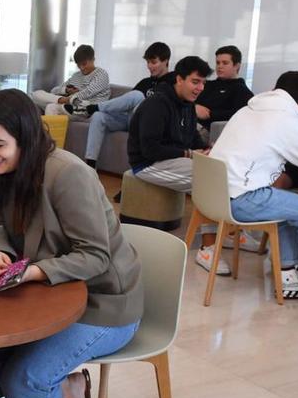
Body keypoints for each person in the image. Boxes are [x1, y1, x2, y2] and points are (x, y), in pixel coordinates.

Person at [0, 89, 142, 398]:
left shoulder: (68, 174)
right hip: (50, 299)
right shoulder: (12, 168)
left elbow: (96, 257)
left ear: (26, 138)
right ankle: (67, 391)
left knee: (23, 378)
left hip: (104, 304)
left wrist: (33, 273)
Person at [209, 71, 298, 309]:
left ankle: (287, 276)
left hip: (216, 194)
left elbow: (290, 143)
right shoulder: (285, 119)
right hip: (242, 198)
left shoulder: (248, 110)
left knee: (286, 204)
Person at [127, 56, 224, 275]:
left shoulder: (187, 105)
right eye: (195, 82)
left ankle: (230, 232)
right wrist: (189, 153)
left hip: (173, 160)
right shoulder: (157, 104)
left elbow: (192, 139)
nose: (200, 88)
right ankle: (207, 248)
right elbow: (150, 149)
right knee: (208, 180)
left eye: (203, 83)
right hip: (148, 163)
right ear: (179, 79)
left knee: (218, 169)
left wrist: (207, 149)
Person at [80, 42, 172, 169]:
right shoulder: (145, 82)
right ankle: (90, 165)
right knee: (98, 117)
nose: (149, 66)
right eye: (148, 62)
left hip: (150, 125)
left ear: (166, 61)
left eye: (153, 62)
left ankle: (96, 106)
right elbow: (127, 103)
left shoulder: (173, 82)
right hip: (132, 120)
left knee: (138, 96)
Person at [31, 44, 110, 116]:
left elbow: (88, 92)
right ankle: (63, 100)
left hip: (87, 108)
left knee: (51, 107)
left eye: (84, 64)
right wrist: (66, 91)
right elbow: (54, 91)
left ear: (93, 59)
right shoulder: (76, 76)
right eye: (78, 65)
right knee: (35, 94)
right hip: (69, 105)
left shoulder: (101, 74)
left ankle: (65, 101)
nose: (81, 68)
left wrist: (73, 96)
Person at [194, 45, 254, 136]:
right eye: (218, 63)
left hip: (210, 133)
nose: (220, 66)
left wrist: (211, 114)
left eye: (225, 63)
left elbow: (239, 116)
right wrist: (193, 107)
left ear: (237, 66)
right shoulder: (206, 85)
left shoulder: (243, 92)